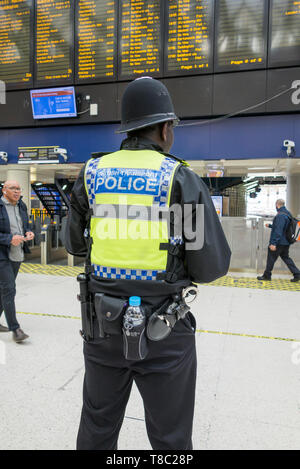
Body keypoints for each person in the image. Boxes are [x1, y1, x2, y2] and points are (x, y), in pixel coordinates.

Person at [65, 77, 231, 450]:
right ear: (165, 128)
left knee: (97, 427)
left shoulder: (91, 175)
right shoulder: (179, 178)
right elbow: (210, 266)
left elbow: (74, 244)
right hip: (164, 332)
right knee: (170, 437)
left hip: (101, 327)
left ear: (127, 128)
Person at [0, 180, 34, 342]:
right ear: (4, 190)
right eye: (13, 188)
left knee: (4, 290)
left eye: (19, 188)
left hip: (17, 253)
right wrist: (9, 238)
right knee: (9, 289)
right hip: (2, 254)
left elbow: (25, 224)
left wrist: (28, 232)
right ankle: (16, 329)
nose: (17, 191)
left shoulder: (21, 205)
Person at [257, 199, 300, 282]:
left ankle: (267, 275)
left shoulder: (280, 215)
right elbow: (283, 227)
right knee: (286, 258)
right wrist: (270, 226)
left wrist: (273, 243)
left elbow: (278, 230)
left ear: (277, 205)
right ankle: (297, 274)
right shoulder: (287, 213)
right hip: (286, 242)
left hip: (279, 242)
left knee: (271, 258)